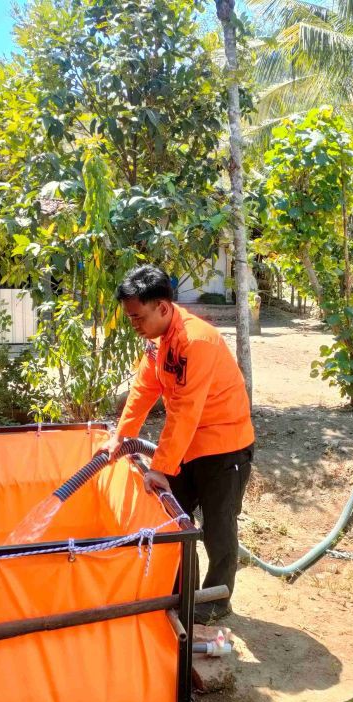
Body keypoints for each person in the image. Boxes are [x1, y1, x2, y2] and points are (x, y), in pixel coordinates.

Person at [102, 265, 254, 624]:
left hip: (225, 448)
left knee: (218, 529)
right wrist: (120, 438)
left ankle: (216, 601)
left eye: (138, 317)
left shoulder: (196, 340)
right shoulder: (158, 342)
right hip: (188, 448)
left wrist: (159, 468)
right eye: (130, 318)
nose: (134, 324)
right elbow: (143, 390)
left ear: (163, 308)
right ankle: (181, 594)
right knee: (174, 522)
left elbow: (185, 411)